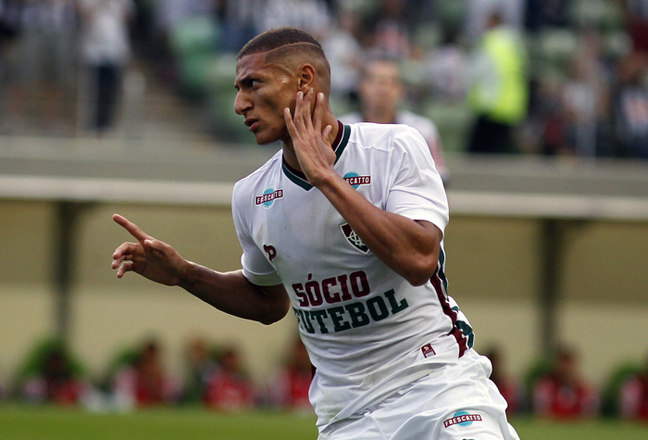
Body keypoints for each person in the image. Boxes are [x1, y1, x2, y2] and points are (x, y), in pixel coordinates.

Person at [111, 27, 519, 439]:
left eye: (253, 84)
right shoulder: (251, 195)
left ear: (305, 80)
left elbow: (419, 260)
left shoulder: (393, 147)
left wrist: (326, 178)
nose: (239, 104)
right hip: (347, 417)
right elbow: (268, 302)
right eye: (237, 89)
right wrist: (185, 274)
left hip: (438, 386)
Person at [340, 57, 449, 183]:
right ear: (361, 87)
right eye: (375, 80)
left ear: (401, 90)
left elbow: (439, 176)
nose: (383, 88)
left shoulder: (422, 129)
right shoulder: (343, 128)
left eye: (391, 82)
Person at [532, 345, 599, 419]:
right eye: (562, 364)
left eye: (568, 364)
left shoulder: (585, 389)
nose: (565, 368)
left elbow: (589, 416)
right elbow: (542, 414)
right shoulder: (546, 387)